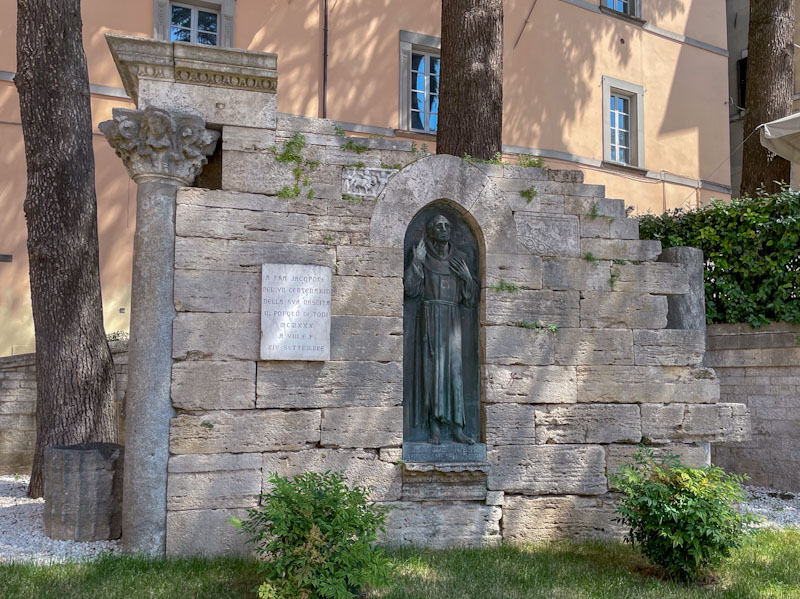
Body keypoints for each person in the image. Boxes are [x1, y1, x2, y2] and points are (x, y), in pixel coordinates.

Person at [404, 214, 476, 444]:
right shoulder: (422, 256)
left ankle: (457, 427)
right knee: (431, 372)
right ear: (431, 232)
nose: (444, 229)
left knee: (454, 373)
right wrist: (416, 263)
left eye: (447, 225)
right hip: (430, 319)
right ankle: (433, 426)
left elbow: (470, 300)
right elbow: (411, 291)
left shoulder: (461, 259)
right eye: (438, 226)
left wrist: (467, 279)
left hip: (453, 321)